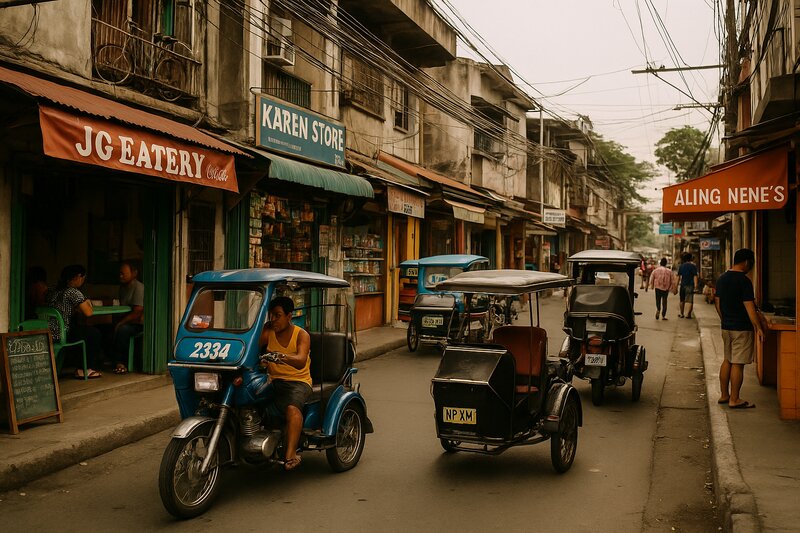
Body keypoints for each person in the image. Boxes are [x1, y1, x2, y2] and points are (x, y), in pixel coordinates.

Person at [258, 296, 312, 470]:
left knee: (292, 409)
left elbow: (301, 360)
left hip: (298, 382)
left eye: (277, 315)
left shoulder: (301, 334)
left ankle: (290, 455)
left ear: (289, 316)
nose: (273, 320)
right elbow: (252, 347)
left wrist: (281, 356)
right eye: (271, 315)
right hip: (273, 381)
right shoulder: (268, 331)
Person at [715, 248, 761, 409]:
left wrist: (725, 319)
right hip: (741, 328)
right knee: (738, 363)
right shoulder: (744, 281)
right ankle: (735, 399)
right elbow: (749, 308)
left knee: (727, 359)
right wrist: (758, 327)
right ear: (747, 262)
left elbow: (718, 303)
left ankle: (724, 395)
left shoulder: (722, 278)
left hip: (726, 327)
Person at [45, 264, 104, 379]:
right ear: (78, 277)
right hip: (61, 333)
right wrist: (84, 298)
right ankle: (85, 369)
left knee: (82, 332)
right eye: (83, 278)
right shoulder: (72, 292)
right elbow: (88, 312)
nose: (83, 281)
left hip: (47, 330)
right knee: (93, 333)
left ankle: (78, 366)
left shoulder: (52, 289)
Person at [112, 261, 144, 374]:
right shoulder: (122, 288)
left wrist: (120, 323)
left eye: (123, 273)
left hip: (138, 324)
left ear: (134, 273)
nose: (120, 276)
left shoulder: (139, 287)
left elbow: (138, 311)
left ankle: (121, 362)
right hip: (127, 320)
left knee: (122, 330)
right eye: (120, 274)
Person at [677, 252, 699, 318]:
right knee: (690, 300)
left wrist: (675, 286)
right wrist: (696, 286)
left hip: (683, 285)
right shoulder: (693, 266)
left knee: (682, 300)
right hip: (690, 285)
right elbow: (695, 276)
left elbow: (678, 277)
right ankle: (688, 314)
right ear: (691, 259)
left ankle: (681, 313)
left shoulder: (681, 266)